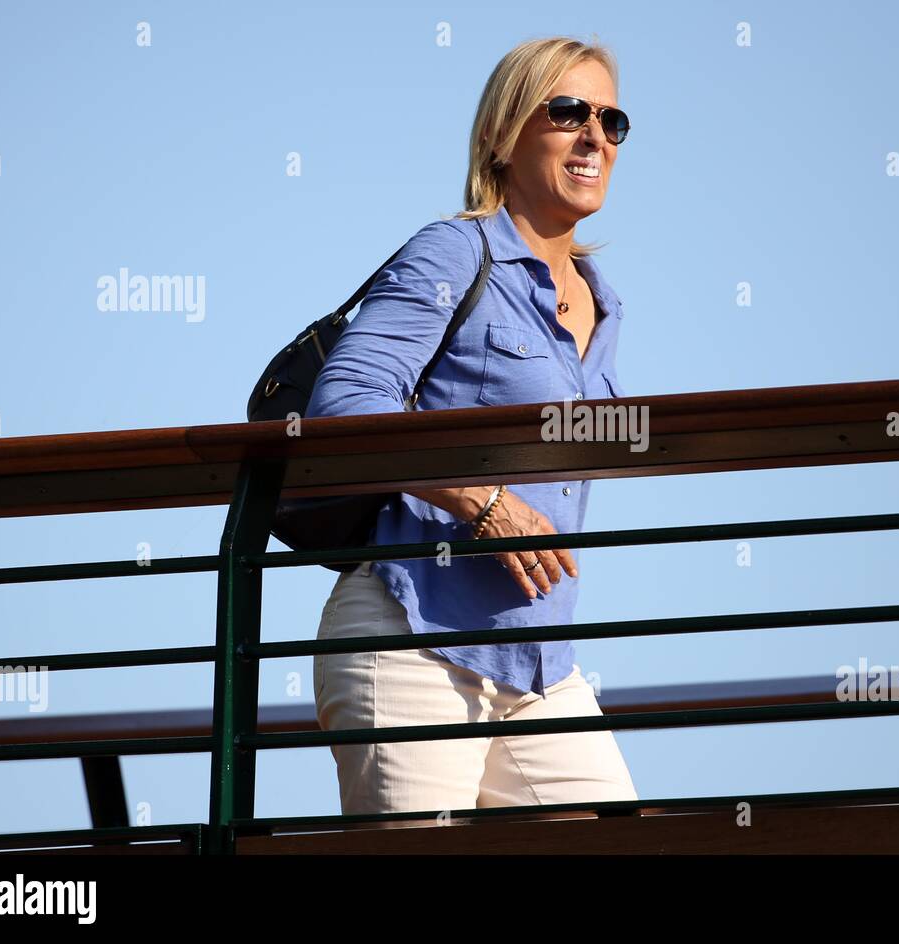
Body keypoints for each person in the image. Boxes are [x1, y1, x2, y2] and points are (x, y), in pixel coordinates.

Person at [305, 36, 639, 818]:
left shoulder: (605, 302)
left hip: (538, 665)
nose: (594, 136)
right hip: (411, 635)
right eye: (567, 112)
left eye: (611, 120)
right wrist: (482, 501)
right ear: (500, 136)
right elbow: (344, 404)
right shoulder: (455, 250)